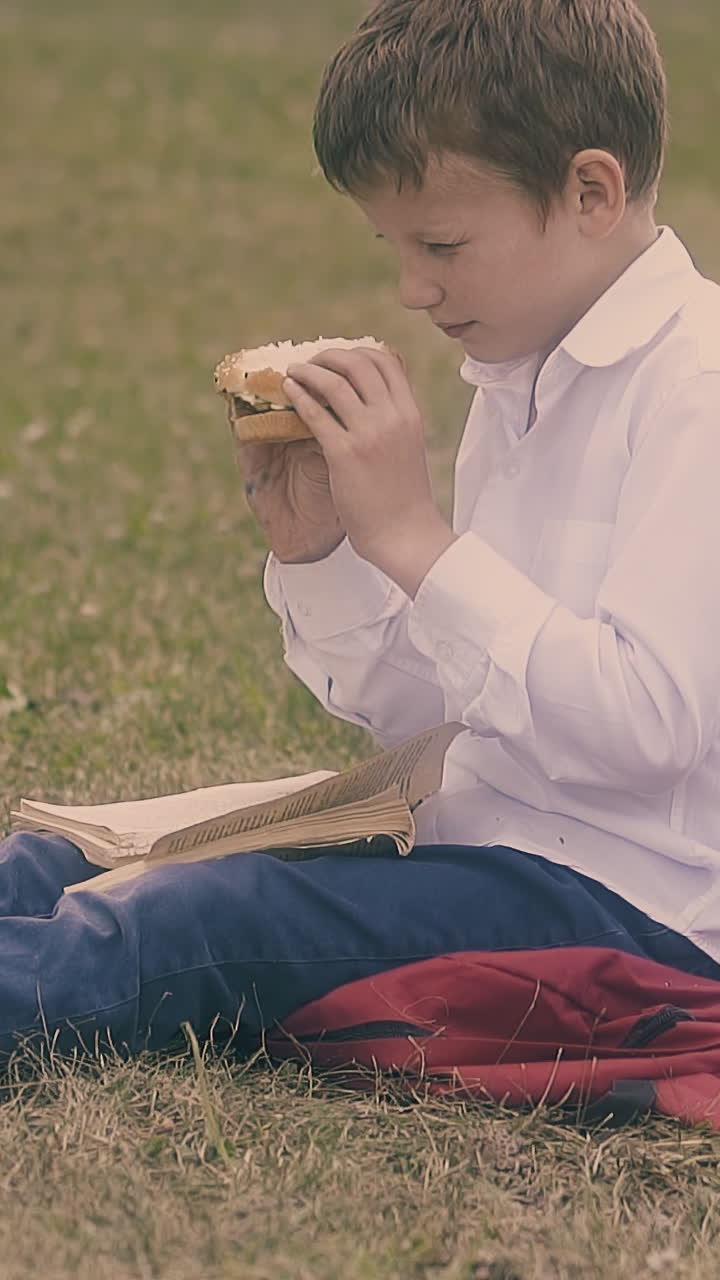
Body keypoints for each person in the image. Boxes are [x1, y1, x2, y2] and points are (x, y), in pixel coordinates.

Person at [4, 0, 720, 1071]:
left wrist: (420, 543)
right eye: (394, 245)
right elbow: (450, 702)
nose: (411, 288)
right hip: (475, 836)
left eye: (440, 243)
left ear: (590, 191)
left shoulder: (695, 388)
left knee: (200, 915)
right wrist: (326, 553)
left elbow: (645, 727)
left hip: (633, 911)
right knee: (66, 856)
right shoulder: (521, 372)